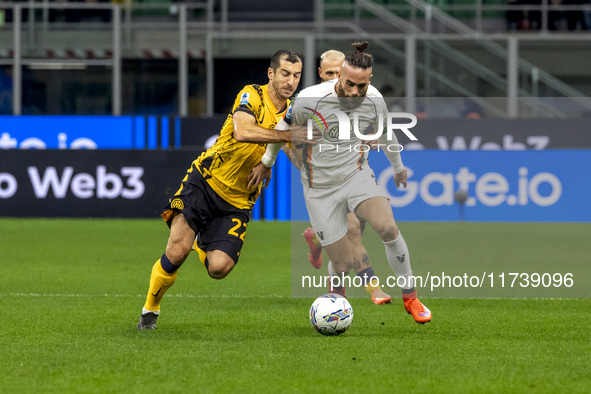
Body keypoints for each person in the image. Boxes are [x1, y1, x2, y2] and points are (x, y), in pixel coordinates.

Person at [256, 42, 432, 324]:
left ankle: (410, 297)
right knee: (343, 263)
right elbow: (282, 130)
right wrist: (267, 163)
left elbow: (386, 135)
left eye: (361, 86)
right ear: (339, 76)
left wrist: (398, 169)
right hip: (320, 188)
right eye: (349, 84)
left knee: (387, 227)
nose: (354, 92)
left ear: (369, 81)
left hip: (356, 175)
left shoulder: (374, 99)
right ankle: (336, 304)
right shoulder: (308, 99)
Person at [137, 50, 311, 329]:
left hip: (239, 200)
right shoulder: (251, 95)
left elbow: (300, 162)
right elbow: (243, 131)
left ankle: (199, 238)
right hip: (205, 181)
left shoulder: (293, 114)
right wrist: (288, 136)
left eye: (297, 75)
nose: (291, 81)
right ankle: (150, 311)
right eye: (285, 73)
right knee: (177, 252)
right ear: (271, 74)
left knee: (219, 269)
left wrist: (308, 148)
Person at [299, 49, 392, 305]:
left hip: (354, 176)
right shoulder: (310, 103)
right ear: (322, 74)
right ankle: (372, 288)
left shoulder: (359, 99)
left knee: (353, 233)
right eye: (329, 72)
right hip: (324, 184)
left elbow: (377, 126)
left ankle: (318, 240)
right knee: (351, 232)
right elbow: (288, 140)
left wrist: (375, 135)